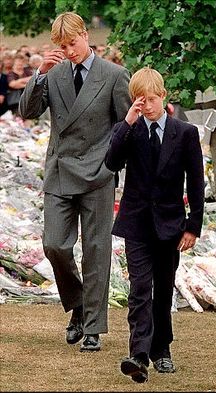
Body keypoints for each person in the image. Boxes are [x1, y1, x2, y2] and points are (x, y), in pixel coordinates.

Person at [19, 12, 131, 352]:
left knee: (96, 251)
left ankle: (94, 327)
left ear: (85, 35)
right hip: (59, 170)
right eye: (62, 46)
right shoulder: (52, 76)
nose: (68, 51)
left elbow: (126, 129)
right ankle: (79, 304)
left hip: (98, 174)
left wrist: (119, 168)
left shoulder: (114, 75)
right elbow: (27, 111)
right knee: (54, 244)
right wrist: (39, 73)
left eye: (72, 43)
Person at [105, 67, 204, 383]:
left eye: (150, 99)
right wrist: (128, 122)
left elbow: (197, 183)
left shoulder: (184, 133)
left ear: (162, 96)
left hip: (170, 225)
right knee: (139, 288)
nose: (145, 105)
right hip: (136, 224)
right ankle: (138, 355)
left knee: (162, 290)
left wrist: (193, 226)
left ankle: (162, 351)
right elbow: (111, 163)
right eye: (139, 101)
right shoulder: (130, 131)